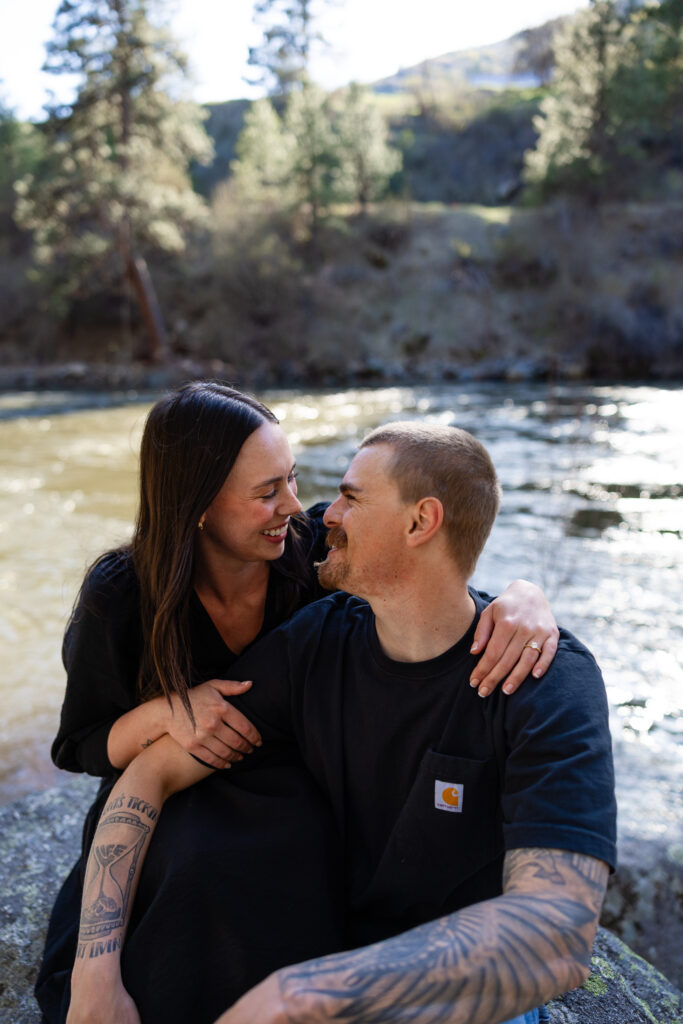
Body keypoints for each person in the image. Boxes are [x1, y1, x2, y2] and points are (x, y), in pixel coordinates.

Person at [36, 382, 560, 1024]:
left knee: (304, 868)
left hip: (288, 780)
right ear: (197, 505)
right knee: (196, 880)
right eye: (266, 492)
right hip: (171, 784)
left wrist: (523, 594)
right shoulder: (119, 594)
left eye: (289, 479)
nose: (293, 505)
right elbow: (83, 745)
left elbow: (426, 573)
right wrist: (163, 714)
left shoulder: (310, 548)